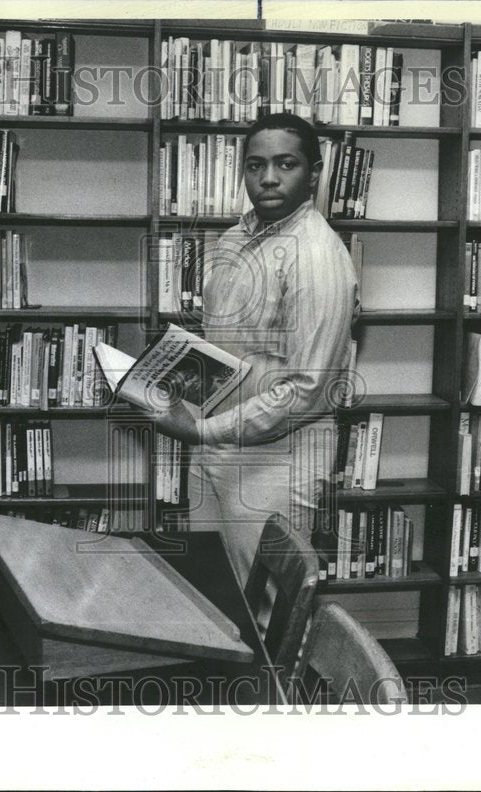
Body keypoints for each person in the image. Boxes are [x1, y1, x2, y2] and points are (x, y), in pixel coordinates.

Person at [151, 112, 360, 588]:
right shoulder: (234, 239)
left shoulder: (316, 255)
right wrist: (165, 384)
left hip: (278, 460)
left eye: (285, 164)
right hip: (214, 445)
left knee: (266, 612)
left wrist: (202, 430)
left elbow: (307, 391)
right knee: (213, 595)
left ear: (314, 172)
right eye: (255, 165)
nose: (267, 178)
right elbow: (225, 345)